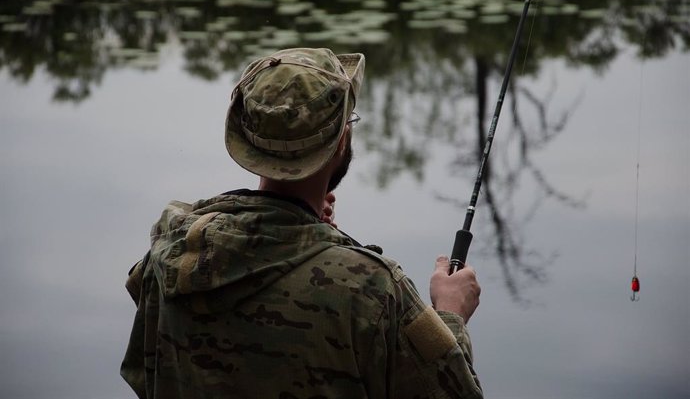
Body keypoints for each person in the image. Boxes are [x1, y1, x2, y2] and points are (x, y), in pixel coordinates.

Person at [121, 47, 483, 398]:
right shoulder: (373, 289)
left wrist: (311, 234)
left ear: (248, 143)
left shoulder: (168, 257)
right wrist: (451, 314)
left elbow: (143, 376)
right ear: (341, 142)